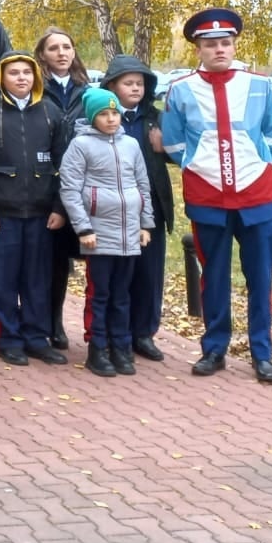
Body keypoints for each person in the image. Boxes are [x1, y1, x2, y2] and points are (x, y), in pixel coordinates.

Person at [161, 9, 272, 384]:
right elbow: (173, 140)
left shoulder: (260, 85)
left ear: (234, 45)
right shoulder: (180, 89)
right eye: (210, 44)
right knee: (213, 277)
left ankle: (261, 352)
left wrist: (256, 162)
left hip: (256, 194)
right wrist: (196, 162)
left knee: (260, 277)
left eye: (225, 43)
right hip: (207, 196)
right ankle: (214, 349)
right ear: (198, 49)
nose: (219, 49)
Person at [0, 52, 69, 367]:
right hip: (1, 213)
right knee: (3, 279)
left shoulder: (51, 112)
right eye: (14, 73)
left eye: (26, 73)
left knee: (37, 279)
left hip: (43, 212)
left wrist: (60, 207)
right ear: (2, 77)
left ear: (35, 77)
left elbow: (65, 165)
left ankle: (36, 337)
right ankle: (8, 339)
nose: (21, 78)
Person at [59, 88, 155, 378]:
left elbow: (142, 183)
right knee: (99, 293)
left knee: (122, 294)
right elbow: (70, 189)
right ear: (93, 117)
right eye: (104, 114)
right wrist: (83, 227)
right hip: (98, 233)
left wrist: (145, 223)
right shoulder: (81, 145)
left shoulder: (131, 145)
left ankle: (120, 346)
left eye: (115, 113)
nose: (111, 119)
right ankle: (97, 347)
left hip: (129, 233)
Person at [100, 55, 175, 362]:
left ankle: (143, 333)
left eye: (140, 83)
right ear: (113, 86)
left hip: (150, 207)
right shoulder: (102, 117)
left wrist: (166, 147)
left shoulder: (156, 118)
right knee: (116, 275)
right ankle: (112, 334)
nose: (135, 89)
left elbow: (181, 152)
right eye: (128, 83)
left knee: (149, 272)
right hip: (112, 210)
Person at [34, 26, 89, 349]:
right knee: (48, 260)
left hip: (80, 188)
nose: (61, 53)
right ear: (42, 54)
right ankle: (48, 321)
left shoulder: (87, 92)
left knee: (68, 261)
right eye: (54, 48)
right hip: (44, 185)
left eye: (66, 47)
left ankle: (66, 323)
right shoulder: (37, 89)